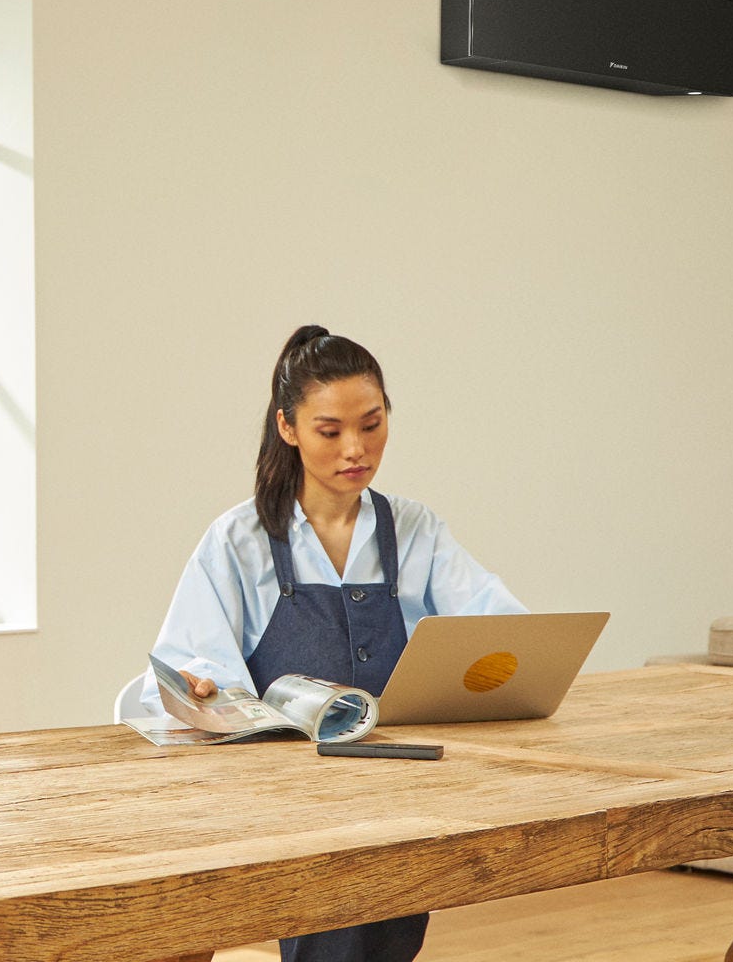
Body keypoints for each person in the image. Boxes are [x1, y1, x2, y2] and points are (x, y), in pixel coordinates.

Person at [144, 325, 527, 962]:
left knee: (390, 942)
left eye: (372, 424)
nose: (357, 448)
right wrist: (203, 687)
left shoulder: (414, 528)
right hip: (293, 800)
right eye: (330, 431)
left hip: (401, 786)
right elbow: (197, 658)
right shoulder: (239, 539)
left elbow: (498, 630)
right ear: (288, 428)